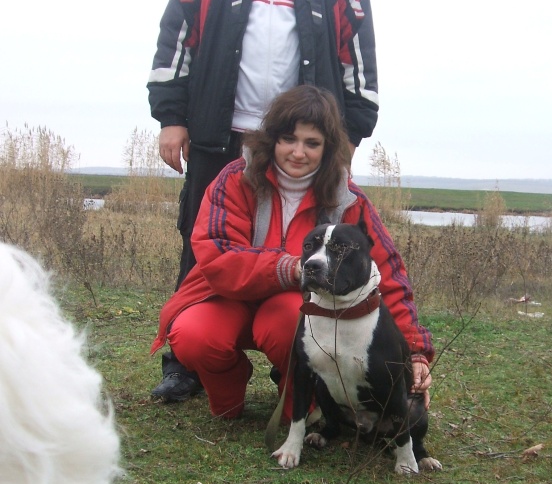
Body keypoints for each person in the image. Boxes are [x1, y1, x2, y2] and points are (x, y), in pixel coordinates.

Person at [147, 0, 379, 401]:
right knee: (201, 243)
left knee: (313, 243)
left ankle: (297, 360)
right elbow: (177, 37)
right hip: (219, 129)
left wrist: (351, 131)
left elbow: (357, 53)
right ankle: (185, 364)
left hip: (303, 139)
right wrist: (172, 116)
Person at [150, 86, 433, 426]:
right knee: (193, 334)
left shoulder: (348, 200)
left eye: (312, 143)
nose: (298, 153)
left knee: (293, 322)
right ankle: (228, 398)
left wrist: (415, 351)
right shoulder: (234, 180)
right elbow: (218, 254)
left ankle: (300, 408)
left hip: (292, 306)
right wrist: (288, 268)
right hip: (225, 296)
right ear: (271, 139)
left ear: (328, 148)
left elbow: (386, 274)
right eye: (288, 139)